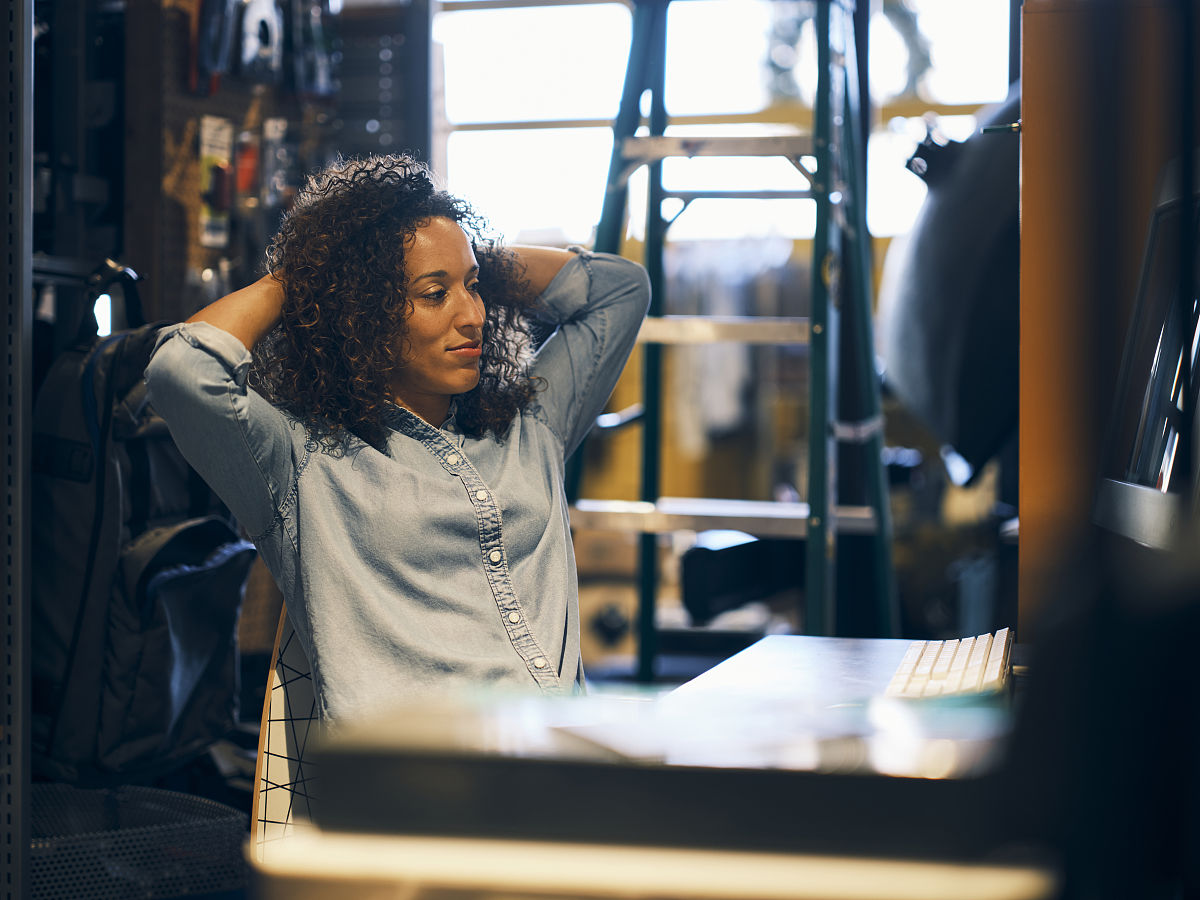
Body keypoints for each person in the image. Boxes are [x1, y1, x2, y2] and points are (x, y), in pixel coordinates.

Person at [144, 155, 650, 725]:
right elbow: (181, 371)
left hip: (557, 769)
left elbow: (619, 289)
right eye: (435, 294)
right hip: (411, 793)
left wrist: (468, 260)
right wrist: (311, 280)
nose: (475, 315)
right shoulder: (304, 462)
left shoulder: (529, 425)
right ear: (362, 313)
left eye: (475, 288)